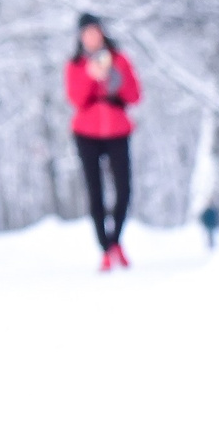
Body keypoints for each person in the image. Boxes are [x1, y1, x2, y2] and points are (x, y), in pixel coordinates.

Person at [66, 14, 141, 271]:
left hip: (118, 130)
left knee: (124, 190)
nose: (91, 37)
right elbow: (76, 99)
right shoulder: (75, 65)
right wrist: (90, 76)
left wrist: (112, 75)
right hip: (86, 133)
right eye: (86, 33)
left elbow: (134, 95)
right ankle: (105, 249)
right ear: (80, 37)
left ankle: (116, 239)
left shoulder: (119, 59)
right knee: (95, 192)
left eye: (95, 31)